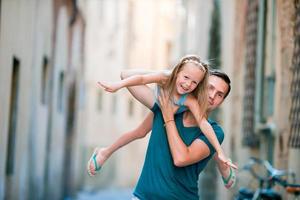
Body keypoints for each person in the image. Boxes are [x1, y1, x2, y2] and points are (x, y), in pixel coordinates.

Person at [87, 55, 236, 177]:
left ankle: (222, 163)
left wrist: (220, 152)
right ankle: (105, 152)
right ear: (177, 72)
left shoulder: (190, 99)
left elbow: (204, 123)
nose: (188, 84)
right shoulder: (168, 77)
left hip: (172, 109)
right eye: (185, 77)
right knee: (139, 131)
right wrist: (118, 86)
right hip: (159, 101)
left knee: (142, 132)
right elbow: (138, 79)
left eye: (194, 82)